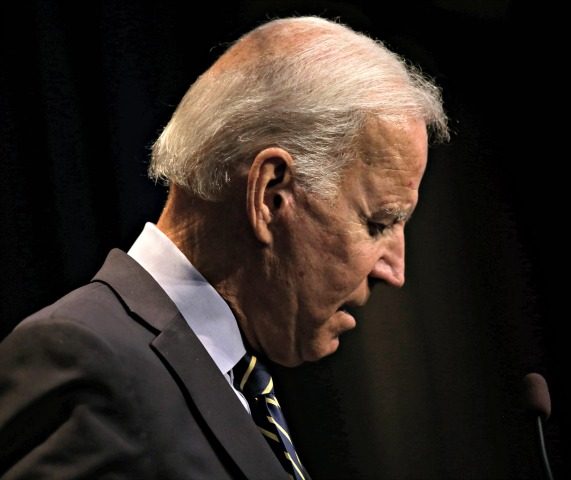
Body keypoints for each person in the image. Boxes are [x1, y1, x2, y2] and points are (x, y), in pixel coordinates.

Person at [0, 16, 448, 480]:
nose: (395, 270)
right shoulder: (87, 358)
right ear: (271, 196)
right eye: (377, 223)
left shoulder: (233, 382)